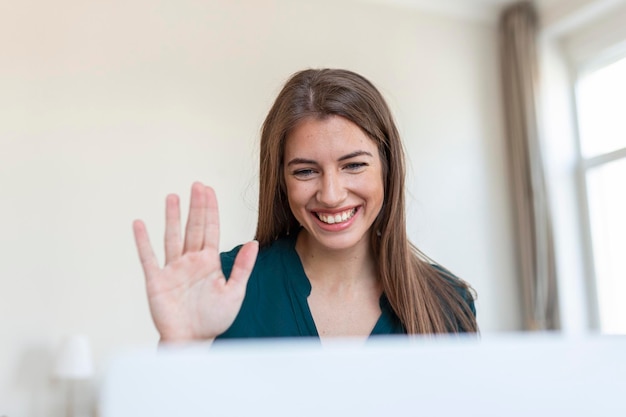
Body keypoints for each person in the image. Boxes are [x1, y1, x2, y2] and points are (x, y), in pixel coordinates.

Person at [132, 68, 478, 344]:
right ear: (281, 180)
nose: (330, 194)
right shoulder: (221, 288)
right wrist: (181, 347)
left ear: (388, 169)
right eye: (306, 171)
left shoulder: (449, 303)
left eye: (354, 165)